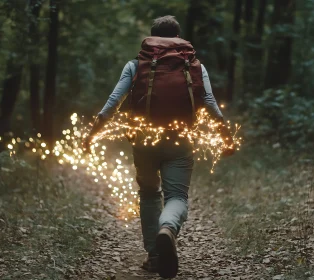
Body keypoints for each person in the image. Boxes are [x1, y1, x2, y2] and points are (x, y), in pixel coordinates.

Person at [82, 15, 235, 279]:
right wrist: (226, 137)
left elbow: (113, 102)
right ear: (178, 38)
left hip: (143, 140)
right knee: (176, 197)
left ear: (151, 38)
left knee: (149, 193)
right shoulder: (194, 66)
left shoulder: (136, 65)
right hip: (181, 139)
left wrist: (91, 135)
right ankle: (167, 228)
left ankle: (154, 256)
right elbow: (210, 103)